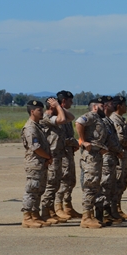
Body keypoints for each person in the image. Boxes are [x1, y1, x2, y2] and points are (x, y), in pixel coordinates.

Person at [75, 98, 109, 229]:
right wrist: (82, 140)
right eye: (102, 105)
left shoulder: (99, 119)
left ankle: (90, 215)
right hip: (90, 156)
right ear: (95, 107)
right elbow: (78, 122)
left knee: (95, 185)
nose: (104, 107)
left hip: (96, 155)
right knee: (90, 185)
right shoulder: (91, 116)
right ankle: (86, 217)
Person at [39, 97, 72, 225]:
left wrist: (59, 107)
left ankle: (51, 211)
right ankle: (45, 212)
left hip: (58, 154)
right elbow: (63, 119)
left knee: (56, 183)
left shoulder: (56, 114)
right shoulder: (46, 117)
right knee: (51, 184)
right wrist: (58, 107)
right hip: (51, 154)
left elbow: (70, 117)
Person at [21, 100, 53, 228]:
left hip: (41, 163)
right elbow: (36, 147)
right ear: (32, 111)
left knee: (39, 190)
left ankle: (35, 214)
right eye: (39, 110)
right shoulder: (30, 127)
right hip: (34, 163)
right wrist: (48, 156)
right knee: (31, 190)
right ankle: (27, 217)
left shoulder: (38, 125)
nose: (42, 112)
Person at [54, 90, 81, 221]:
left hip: (68, 152)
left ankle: (68, 206)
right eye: (70, 101)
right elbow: (61, 137)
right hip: (61, 152)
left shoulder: (65, 113)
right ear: (63, 101)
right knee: (63, 180)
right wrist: (75, 142)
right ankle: (58, 207)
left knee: (71, 180)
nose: (72, 103)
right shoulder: (58, 115)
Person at [100, 96, 125, 226]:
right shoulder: (102, 121)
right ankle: (104, 213)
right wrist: (118, 149)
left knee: (111, 186)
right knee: (105, 185)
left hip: (113, 157)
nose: (112, 105)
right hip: (107, 157)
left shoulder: (108, 121)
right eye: (109, 103)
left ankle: (110, 212)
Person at [110, 95, 127, 220]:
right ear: (119, 106)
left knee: (122, 183)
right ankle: (114, 209)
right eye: (125, 104)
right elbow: (122, 139)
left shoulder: (121, 119)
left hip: (123, 155)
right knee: (117, 183)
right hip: (118, 155)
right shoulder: (115, 120)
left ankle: (117, 208)